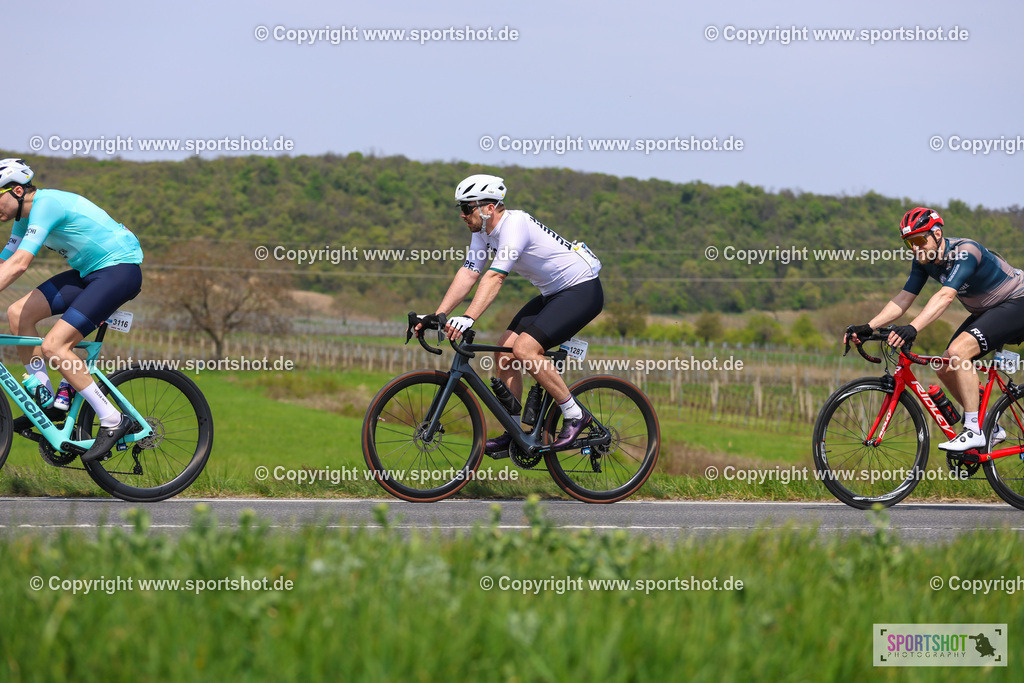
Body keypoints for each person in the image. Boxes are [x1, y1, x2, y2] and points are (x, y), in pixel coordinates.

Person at [417, 173, 604, 456]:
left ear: (488, 208)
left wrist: (468, 317)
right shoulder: (482, 233)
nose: (463, 215)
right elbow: (470, 272)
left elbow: (495, 277)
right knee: (504, 352)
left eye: (467, 208)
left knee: (525, 349)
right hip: (552, 293)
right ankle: (515, 432)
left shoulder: (515, 224)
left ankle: (576, 415)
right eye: (461, 209)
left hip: (582, 290)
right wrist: (437, 314)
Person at [0, 158, 144, 462]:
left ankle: (112, 419)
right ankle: (47, 399)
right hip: (88, 274)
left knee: (55, 345)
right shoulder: (22, 219)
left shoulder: (46, 204)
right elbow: (4, 262)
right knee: (17, 314)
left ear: (15, 190)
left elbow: (20, 264)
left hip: (118, 271)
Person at [846, 207, 1024, 451]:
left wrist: (913, 327)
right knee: (945, 365)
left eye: (920, 240)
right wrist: (869, 326)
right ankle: (989, 429)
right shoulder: (923, 261)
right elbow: (903, 299)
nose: (915, 247)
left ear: (937, 234)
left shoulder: (965, 251)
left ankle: (973, 430)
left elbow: (946, 296)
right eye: (909, 243)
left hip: (1017, 301)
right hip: (987, 311)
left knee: (959, 352)